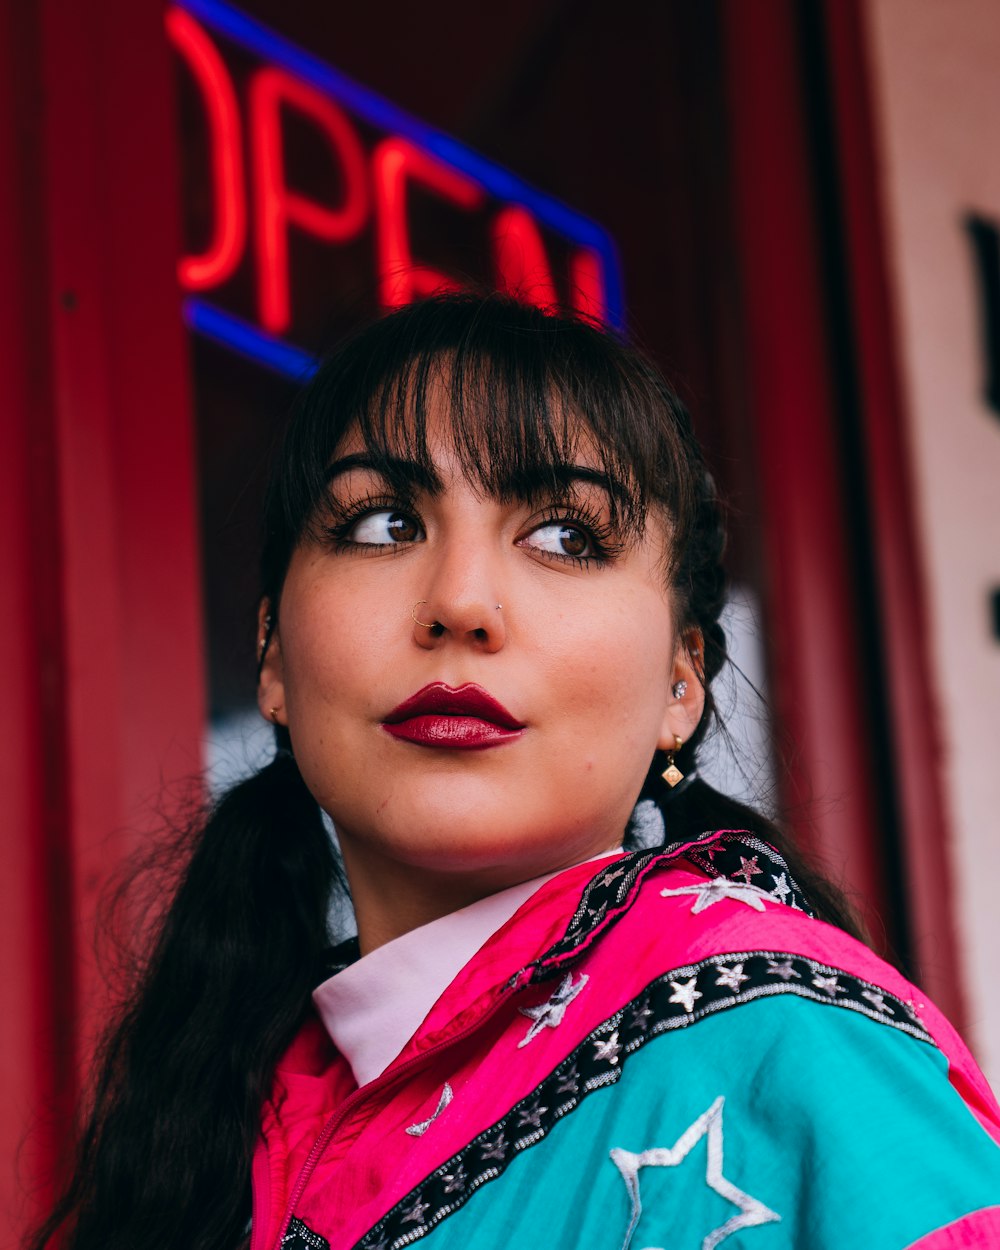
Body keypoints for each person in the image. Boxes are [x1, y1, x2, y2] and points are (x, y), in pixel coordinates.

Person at [33, 294, 1000, 1250]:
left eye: (566, 537)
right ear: (274, 659)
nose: (459, 601)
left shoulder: (796, 1058)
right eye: (381, 525)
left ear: (680, 683)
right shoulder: (219, 1121)